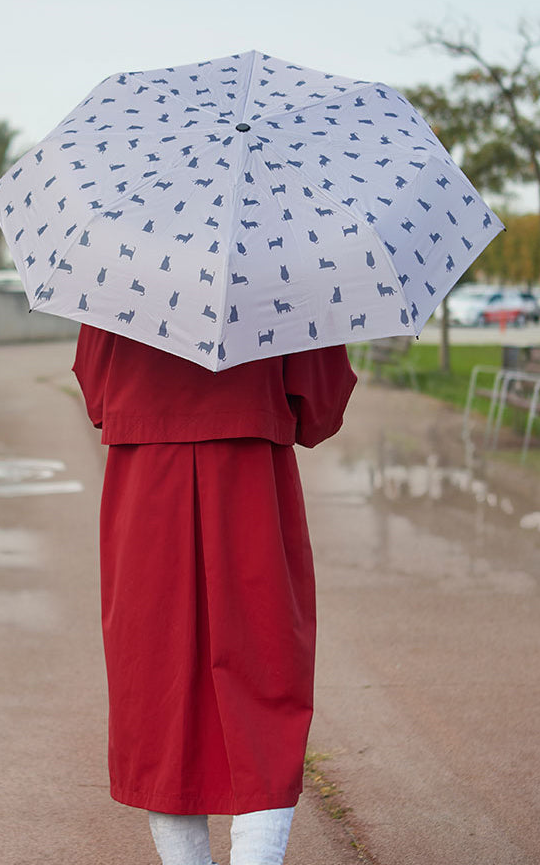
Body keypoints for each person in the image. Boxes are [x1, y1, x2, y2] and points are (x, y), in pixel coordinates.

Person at [72, 324, 357, 865]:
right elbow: (320, 410)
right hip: (249, 482)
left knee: (157, 690)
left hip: (147, 488)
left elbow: (95, 392)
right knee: (266, 676)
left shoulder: (123, 256)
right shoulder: (283, 260)